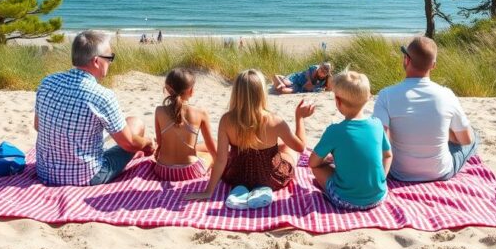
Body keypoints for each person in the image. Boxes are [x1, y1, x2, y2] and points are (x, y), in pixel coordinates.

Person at [34, 31, 155, 186]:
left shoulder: (47, 82)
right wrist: (147, 143)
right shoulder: (101, 96)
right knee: (136, 124)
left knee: (128, 123)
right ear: (97, 61)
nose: (111, 62)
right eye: (110, 58)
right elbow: (129, 143)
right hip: (86, 176)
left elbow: (38, 126)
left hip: (45, 172)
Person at [184, 69, 314, 206]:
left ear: (236, 93)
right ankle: (261, 190)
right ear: (261, 93)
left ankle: (240, 191)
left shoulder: (226, 120)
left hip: (236, 176)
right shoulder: (275, 121)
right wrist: (299, 118)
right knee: (289, 150)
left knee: (279, 147)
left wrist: (208, 191)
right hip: (270, 178)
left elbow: (221, 160)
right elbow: (300, 147)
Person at [373, 36, 478, 183]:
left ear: (406, 60)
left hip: (399, 172)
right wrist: (444, 132)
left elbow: (379, 139)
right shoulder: (446, 94)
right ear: (433, 65)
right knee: (474, 136)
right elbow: (466, 140)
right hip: (439, 172)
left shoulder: (386, 95)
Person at [309, 70, 391, 210]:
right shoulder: (377, 124)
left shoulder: (334, 131)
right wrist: (382, 177)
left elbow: (312, 162)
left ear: (338, 101)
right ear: (369, 97)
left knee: (319, 167)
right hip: (379, 196)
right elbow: (388, 155)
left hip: (345, 200)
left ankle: (329, 190)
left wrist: (327, 160)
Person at [153, 68, 217, 181]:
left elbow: (160, 142)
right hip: (190, 171)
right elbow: (211, 146)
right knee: (209, 154)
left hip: (163, 171)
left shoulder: (159, 111)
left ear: (167, 89)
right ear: (191, 90)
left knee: (200, 148)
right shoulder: (201, 113)